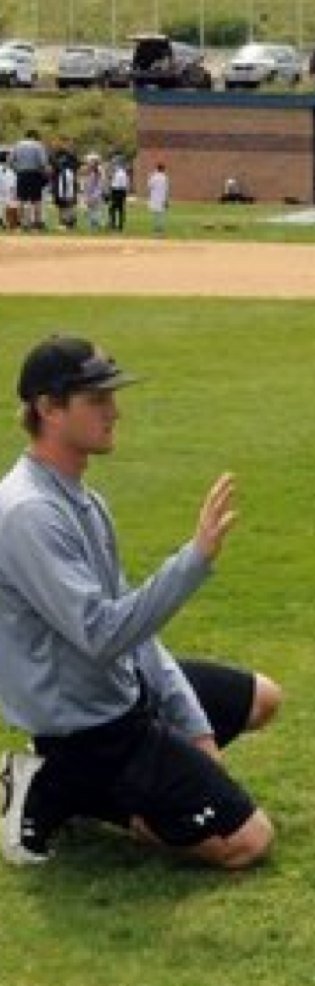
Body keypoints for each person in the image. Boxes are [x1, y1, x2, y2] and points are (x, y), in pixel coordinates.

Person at [0, 334, 280, 869]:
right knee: (248, 842)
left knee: (263, 698)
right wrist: (193, 560)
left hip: (123, 694)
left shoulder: (82, 499)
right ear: (48, 409)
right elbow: (104, 635)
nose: (115, 411)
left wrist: (194, 727)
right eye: (97, 400)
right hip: (89, 728)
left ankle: (81, 783)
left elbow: (135, 631)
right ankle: (54, 787)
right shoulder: (28, 513)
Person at [10, 129, 49, 232]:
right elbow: (43, 162)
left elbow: (10, 161)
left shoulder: (17, 145)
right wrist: (45, 174)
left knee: (21, 200)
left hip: (22, 174)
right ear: (35, 137)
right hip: (35, 174)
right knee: (36, 201)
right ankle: (36, 226)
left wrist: (17, 170)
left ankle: (20, 225)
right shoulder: (38, 145)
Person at [107, 156, 130, 232]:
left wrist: (110, 188)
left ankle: (113, 225)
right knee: (120, 209)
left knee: (112, 209)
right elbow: (126, 184)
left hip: (116, 191)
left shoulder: (117, 173)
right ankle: (120, 226)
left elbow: (114, 184)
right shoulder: (124, 173)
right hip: (123, 192)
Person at [147, 161, 170, 235]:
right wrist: (166, 200)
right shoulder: (164, 178)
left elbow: (149, 186)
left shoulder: (153, 177)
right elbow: (167, 189)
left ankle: (156, 230)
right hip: (162, 198)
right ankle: (160, 230)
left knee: (156, 215)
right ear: (163, 169)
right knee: (161, 215)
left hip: (154, 198)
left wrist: (150, 177)